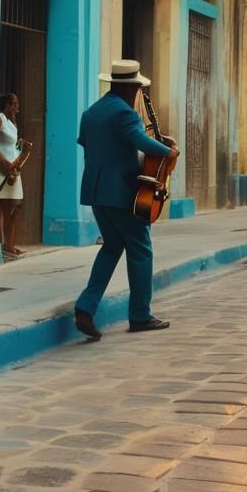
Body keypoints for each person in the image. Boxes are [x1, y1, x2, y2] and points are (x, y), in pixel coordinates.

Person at [74, 60, 179, 341]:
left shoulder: (91, 112)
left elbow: (87, 143)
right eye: (136, 88)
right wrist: (167, 152)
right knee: (141, 249)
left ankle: (86, 306)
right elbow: (140, 142)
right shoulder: (125, 113)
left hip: (96, 192)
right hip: (122, 192)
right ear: (131, 87)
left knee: (112, 246)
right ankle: (140, 315)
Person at [0, 93, 32, 259]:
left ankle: (9, 244)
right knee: (7, 206)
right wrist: (4, 160)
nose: (17, 107)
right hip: (2, 169)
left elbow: (13, 146)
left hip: (13, 169)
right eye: (14, 104)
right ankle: (4, 244)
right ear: (6, 105)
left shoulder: (12, 122)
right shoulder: (0, 119)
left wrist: (23, 147)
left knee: (15, 206)